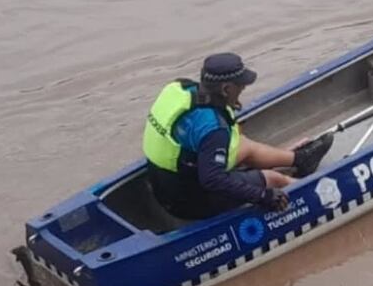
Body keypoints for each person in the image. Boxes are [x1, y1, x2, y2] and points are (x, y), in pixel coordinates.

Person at [142, 52, 334, 220]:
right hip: (190, 200)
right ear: (226, 89)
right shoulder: (213, 129)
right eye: (240, 85)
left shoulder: (179, 89)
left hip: (163, 184)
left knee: (242, 144)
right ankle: (320, 193)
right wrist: (262, 196)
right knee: (274, 179)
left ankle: (300, 159)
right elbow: (212, 180)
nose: (243, 89)